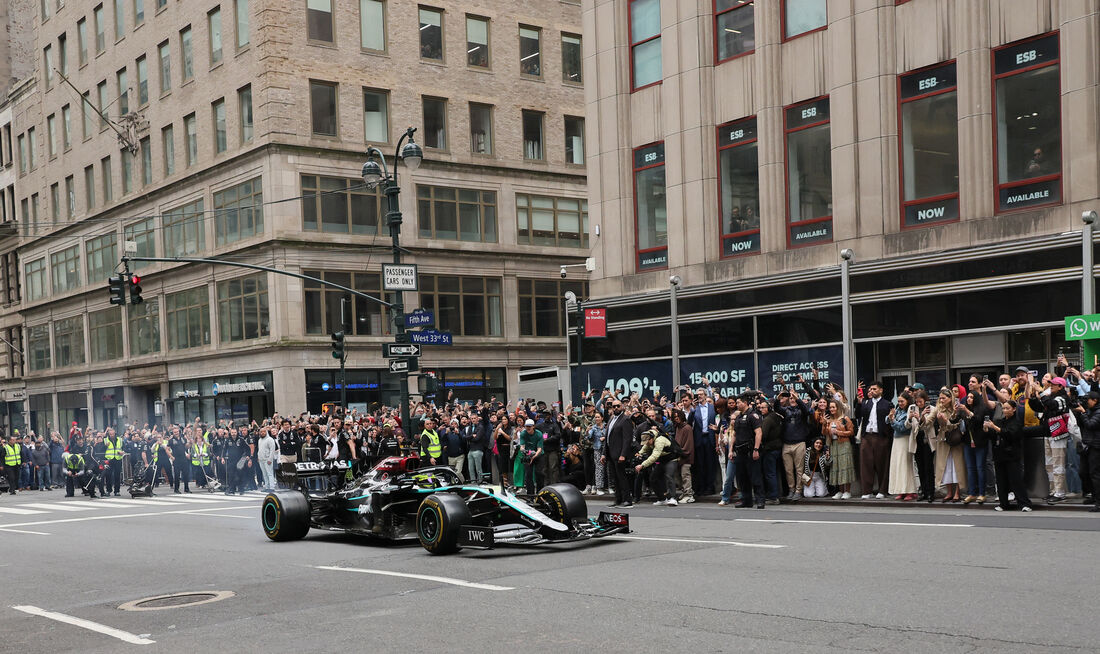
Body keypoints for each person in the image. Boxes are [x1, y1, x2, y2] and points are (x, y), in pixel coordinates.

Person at [1028, 376, 1071, 504]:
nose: (1051, 386)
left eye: (1054, 384)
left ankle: (1060, 492)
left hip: (1059, 434)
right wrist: (1033, 396)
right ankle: (1053, 491)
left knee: (1058, 465)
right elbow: (1038, 407)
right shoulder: (1050, 396)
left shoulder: (1063, 398)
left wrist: (1041, 392)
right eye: (1050, 384)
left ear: (1061, 387)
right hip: (1048, 433)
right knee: (1049, 465)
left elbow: (1052, 405)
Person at [988, 401, 1034, 512]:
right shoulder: (1001, 421)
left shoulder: (1017, 422)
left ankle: (1024, 503)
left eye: (1007, 408)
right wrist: (988, 429)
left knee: (1016, 480)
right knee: (1001, 480)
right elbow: (993, 436)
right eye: (1003, 408)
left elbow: (1010, 434)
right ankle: (1003, 503)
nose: (1005, 410)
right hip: (999, 454)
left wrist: (995, 427)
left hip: (1012, 455)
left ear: (1014, 409)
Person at [855, 380, 893, 499]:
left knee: (882, 464)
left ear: (881, 390)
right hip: (867, 436)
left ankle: (882, 490)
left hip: (881, 437)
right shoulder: (866, 403)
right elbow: (857, 415)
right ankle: (867, 491)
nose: (872, 391)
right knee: (866, 464)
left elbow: (890, 421)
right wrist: (859, 403)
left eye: (874, 389)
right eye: (870, 389)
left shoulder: (888, 404)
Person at [930, 388, 967, 503]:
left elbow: (957, 424)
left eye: (943, 398)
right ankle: (949, 492)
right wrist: (922, 418)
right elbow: (928, 420)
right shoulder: (938, 409)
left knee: (957, 467)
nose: (941, 400)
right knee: (945, 467)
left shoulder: (958, 408)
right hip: (943, 441)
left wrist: (947, 421)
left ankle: (957, 492)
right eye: (940, 398)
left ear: (950, 398)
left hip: (955, 441)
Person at [731, 393, 764, 509]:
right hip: (740, 451)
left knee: (755, 476)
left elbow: (758, 433)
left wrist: (756, 449)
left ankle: (760, 500)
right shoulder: (739, 417)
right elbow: (734, 434)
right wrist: (731, 450)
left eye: (739, 402)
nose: (737, 404)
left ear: (745, 403)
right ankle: (746, 500)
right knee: (742, 477)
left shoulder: (753, 415)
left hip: (750, 450)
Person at [634, 426, 678, 506]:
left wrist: (642, 465)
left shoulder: (659, 441)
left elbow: (654, 456)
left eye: (647, 441)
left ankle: (673, 498)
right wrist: (639, 453)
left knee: (669, 476)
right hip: (662, 459)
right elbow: (645, 448)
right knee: (653, 478)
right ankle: (662, 498)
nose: (646, 443)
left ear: (651, 439)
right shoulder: (650, 440)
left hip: (671, 459)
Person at [820, 400, 855, 499]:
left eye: (833, 407)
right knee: (837, 467)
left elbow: (851, 432)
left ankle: (847, 491)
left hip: (844, 444)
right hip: (833, 445)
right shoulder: (830, 420)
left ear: (838, 408)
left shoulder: (845, 418)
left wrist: (839, 432)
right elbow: (824, 433)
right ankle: (840, 491)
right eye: (830, 407)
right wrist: (824, 424)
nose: (831, 409)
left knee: (845, 466)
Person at [602, 399, 634, 508]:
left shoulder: (625, 420)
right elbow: (607, 438)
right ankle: (618, 499)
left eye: (618, 406)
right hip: (611, 454)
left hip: (620, 454)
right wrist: (603, 454)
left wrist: (623, 454)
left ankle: (627, 500)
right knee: (614, 478)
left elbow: (627, 439)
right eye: (613, 406)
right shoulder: (611, 419)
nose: (615, 408)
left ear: (622, 407)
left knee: (622, 477)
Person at [887, 394, 919, 501]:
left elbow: (902, 427)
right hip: (896, 441)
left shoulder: (909, 412)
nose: (900, 403)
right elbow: (887, 419)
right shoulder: (898, 410)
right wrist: (890, 417)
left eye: (902, 401)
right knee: (897, 465)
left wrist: (892, 420)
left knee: (905, 465)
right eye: (899, 401)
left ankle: (910, 490)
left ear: (907, 401)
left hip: (905, 440)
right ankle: (901, 490)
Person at [1073, 391, 1100, 512]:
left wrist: (1083, 413)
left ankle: (1098, 502)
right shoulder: (1089, 411)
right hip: (1087, 445)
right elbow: (1081, 425)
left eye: (1088, 399)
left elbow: (1090, 425)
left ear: (1095, 400)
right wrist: (1080, 414)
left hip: (1096, 446)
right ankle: (1094, 496)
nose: (1086, 402)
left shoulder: (1098, 412)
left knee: (1095, 474)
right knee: (1083, 472)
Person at [758, 398, 783, 504]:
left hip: (770, 449)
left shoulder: (767, 419)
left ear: (769, 408)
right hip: (778, 448)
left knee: (770, 473)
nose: (761, 409)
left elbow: (763, 435)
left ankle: (773, 497)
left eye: (763, 407)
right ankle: (777, 494)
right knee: (775, 473)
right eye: (760, 407)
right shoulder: (777, 417)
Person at [513, 419, 542, 495]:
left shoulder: (539, 434)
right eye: (526, 426)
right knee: (528, 475)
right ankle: (530, 494)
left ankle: (540, 492)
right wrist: (524, 451)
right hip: (528, 455)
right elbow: (522, 446)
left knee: (539, 473)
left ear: (533, 426)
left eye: (529, 426)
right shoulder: (523, 433)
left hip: (538, 455)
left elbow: (539, 449)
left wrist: (535, 455)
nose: (528, 428)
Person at [671, 409, 694, 503]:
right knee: (679, 476)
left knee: (686, 476)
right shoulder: (677, 428)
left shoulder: (687, 428)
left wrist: (682, 452)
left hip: (686, 457)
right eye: (675, 417)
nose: (677, 419)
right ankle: (685, 492)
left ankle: (689, 495)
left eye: (678, 417)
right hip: (679, 456)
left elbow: (688, 444)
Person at [103, 428, 124, 496]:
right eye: (110, 434)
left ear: (115, 433)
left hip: (118, 458)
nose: (112, 435)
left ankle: (117, 491)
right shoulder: (105, 440)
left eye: (113, 434)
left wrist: (122, 452)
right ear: (108, 434)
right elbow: (101, 449)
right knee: (108, 475)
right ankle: (108, 490)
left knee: (117, 475)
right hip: (109, 459)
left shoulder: (120, 439)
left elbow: (124, 448)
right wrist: (105, 446)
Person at [257, 427, 278, 492]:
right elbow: (259, 449)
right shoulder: (259, 440)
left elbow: (272, 450)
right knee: (264, 474)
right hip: (261, 459)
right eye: (261, 432)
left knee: (270, 473)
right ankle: (266, 487)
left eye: (264, 431)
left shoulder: (270, 439)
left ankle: (272, 487)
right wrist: (258, 457)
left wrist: (270, 459)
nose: (262, 433)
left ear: (266, 432)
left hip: (267, 459)